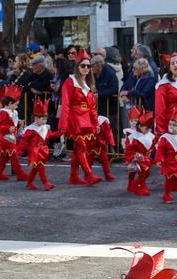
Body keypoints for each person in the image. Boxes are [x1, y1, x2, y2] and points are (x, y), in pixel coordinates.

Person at [58, 49, 104, 186]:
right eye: (83, 65)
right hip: (74, 119)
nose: (86, 68)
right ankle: (88, 175)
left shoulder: (88, 85)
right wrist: (63, 124)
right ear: (77, 67)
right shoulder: (70, 82)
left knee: (79, 149)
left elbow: (92, 108)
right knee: (82, 146)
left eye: (88, 66)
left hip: (86, 120)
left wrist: (96, 124)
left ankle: (74, 176)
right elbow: (65, 104)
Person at [16, 98, 62, 190]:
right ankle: (45, 183)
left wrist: (61, 132)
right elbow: (24, 141)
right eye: (43, 119)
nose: (45, 121)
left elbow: (51, 135)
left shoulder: (45, 127)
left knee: (36, 168)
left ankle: (29, 182)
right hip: (35, 151)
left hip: (43, 150)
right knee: (40, 167)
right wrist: (19, 151)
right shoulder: (31, 129)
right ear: (36, 118)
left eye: (46, 119)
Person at [0, 85, 29, 182]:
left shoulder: (13, 112)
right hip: (6, 137)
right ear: (10, 103)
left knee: (5, 156)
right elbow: (0, 126)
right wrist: (8, 128)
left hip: (11, 136)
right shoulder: (3, 112)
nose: (17, 106)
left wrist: (19, 124)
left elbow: (13, 122)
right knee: (14, 154)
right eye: (15, 104)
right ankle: (19, 173)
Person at [124, 110, 156, 196]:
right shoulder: (134, 136)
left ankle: (134, 184)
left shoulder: (149, 134)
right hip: (138, 157)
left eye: (149, 129)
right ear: (140, 126)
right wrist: (132, 156)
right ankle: (140, 186)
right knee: (139, 172)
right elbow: (130, 148)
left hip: (146, 157)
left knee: (147, 173)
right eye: (146, 128)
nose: (148, 130)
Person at [86, 115, 117, 181]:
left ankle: (107, 174)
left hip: (99, 143)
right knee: (89, 160)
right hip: (89, 143)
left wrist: (110, 141)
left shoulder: (102, 120)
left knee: (104, 159)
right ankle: (88, 175)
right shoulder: (86, 119)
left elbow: (108, 131)